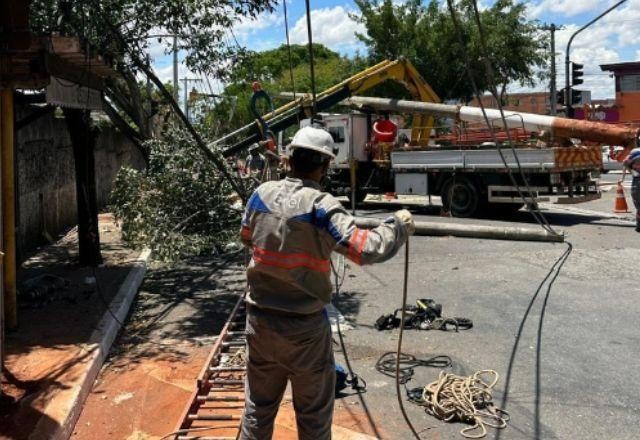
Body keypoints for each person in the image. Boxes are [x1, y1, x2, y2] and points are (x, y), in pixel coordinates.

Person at [239, 126, 414, 440]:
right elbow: (366, 248)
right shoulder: (321, 206)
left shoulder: (260, 195)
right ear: (324, 166)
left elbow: (246, 238)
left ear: (289, 159)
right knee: (313, 419)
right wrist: (397, 226)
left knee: (258, 410)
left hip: (259, 323)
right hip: (303, 331)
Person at [619, 146, 640, 232]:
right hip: (637, 182)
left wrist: (630, 172)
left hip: (636, 182)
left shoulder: (635, 152)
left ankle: (639, 225)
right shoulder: (636, 152)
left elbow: (625, 163)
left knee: (639, 206)